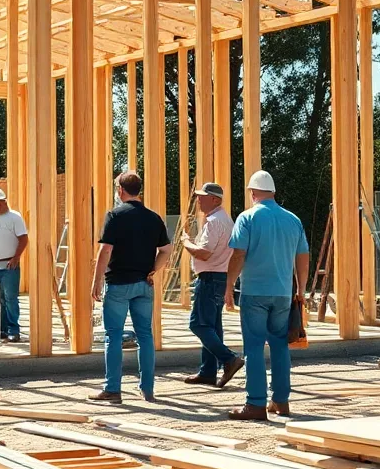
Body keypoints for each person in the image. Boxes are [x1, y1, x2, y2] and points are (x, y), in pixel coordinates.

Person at [224, 170, 310, 421]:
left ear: (252, 192)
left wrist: (229, 285)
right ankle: (281, 402)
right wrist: (301, 289)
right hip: (283, 294)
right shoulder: (292, 219)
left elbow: (238, 254)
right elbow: (302, 255)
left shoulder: (247, 217)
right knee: (281, 346)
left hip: (254, 293)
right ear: (273, 192)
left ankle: (255, 404)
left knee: (253, 347)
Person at [89, 171, 171, 404]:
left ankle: (113, 389)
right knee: (145, 336)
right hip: (144, 284)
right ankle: (148, 389)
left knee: (113, 336)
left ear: (120, 190)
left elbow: (105, 251)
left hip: (119, 283)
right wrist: (153, 270)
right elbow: (166, 250)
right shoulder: (153, 218)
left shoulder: (115, 216)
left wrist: (97, 281)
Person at [179, 183, 244, 388]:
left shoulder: (214, 222)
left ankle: (229, 359)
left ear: (215, 199)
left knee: (198, 324)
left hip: (210, 277)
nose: (198, 200)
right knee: (212, 326)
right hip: (220, 277)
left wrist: (186, 242)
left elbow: (204, 253)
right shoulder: (224, 220)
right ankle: (208, 371)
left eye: (203, 197)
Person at [0, 188, 28, 342]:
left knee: (11, 298)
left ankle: (14, 329)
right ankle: (2, 329)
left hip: (9, 265)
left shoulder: (14, 217)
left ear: (4, 202)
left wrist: (16, 258)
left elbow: (24, 239)